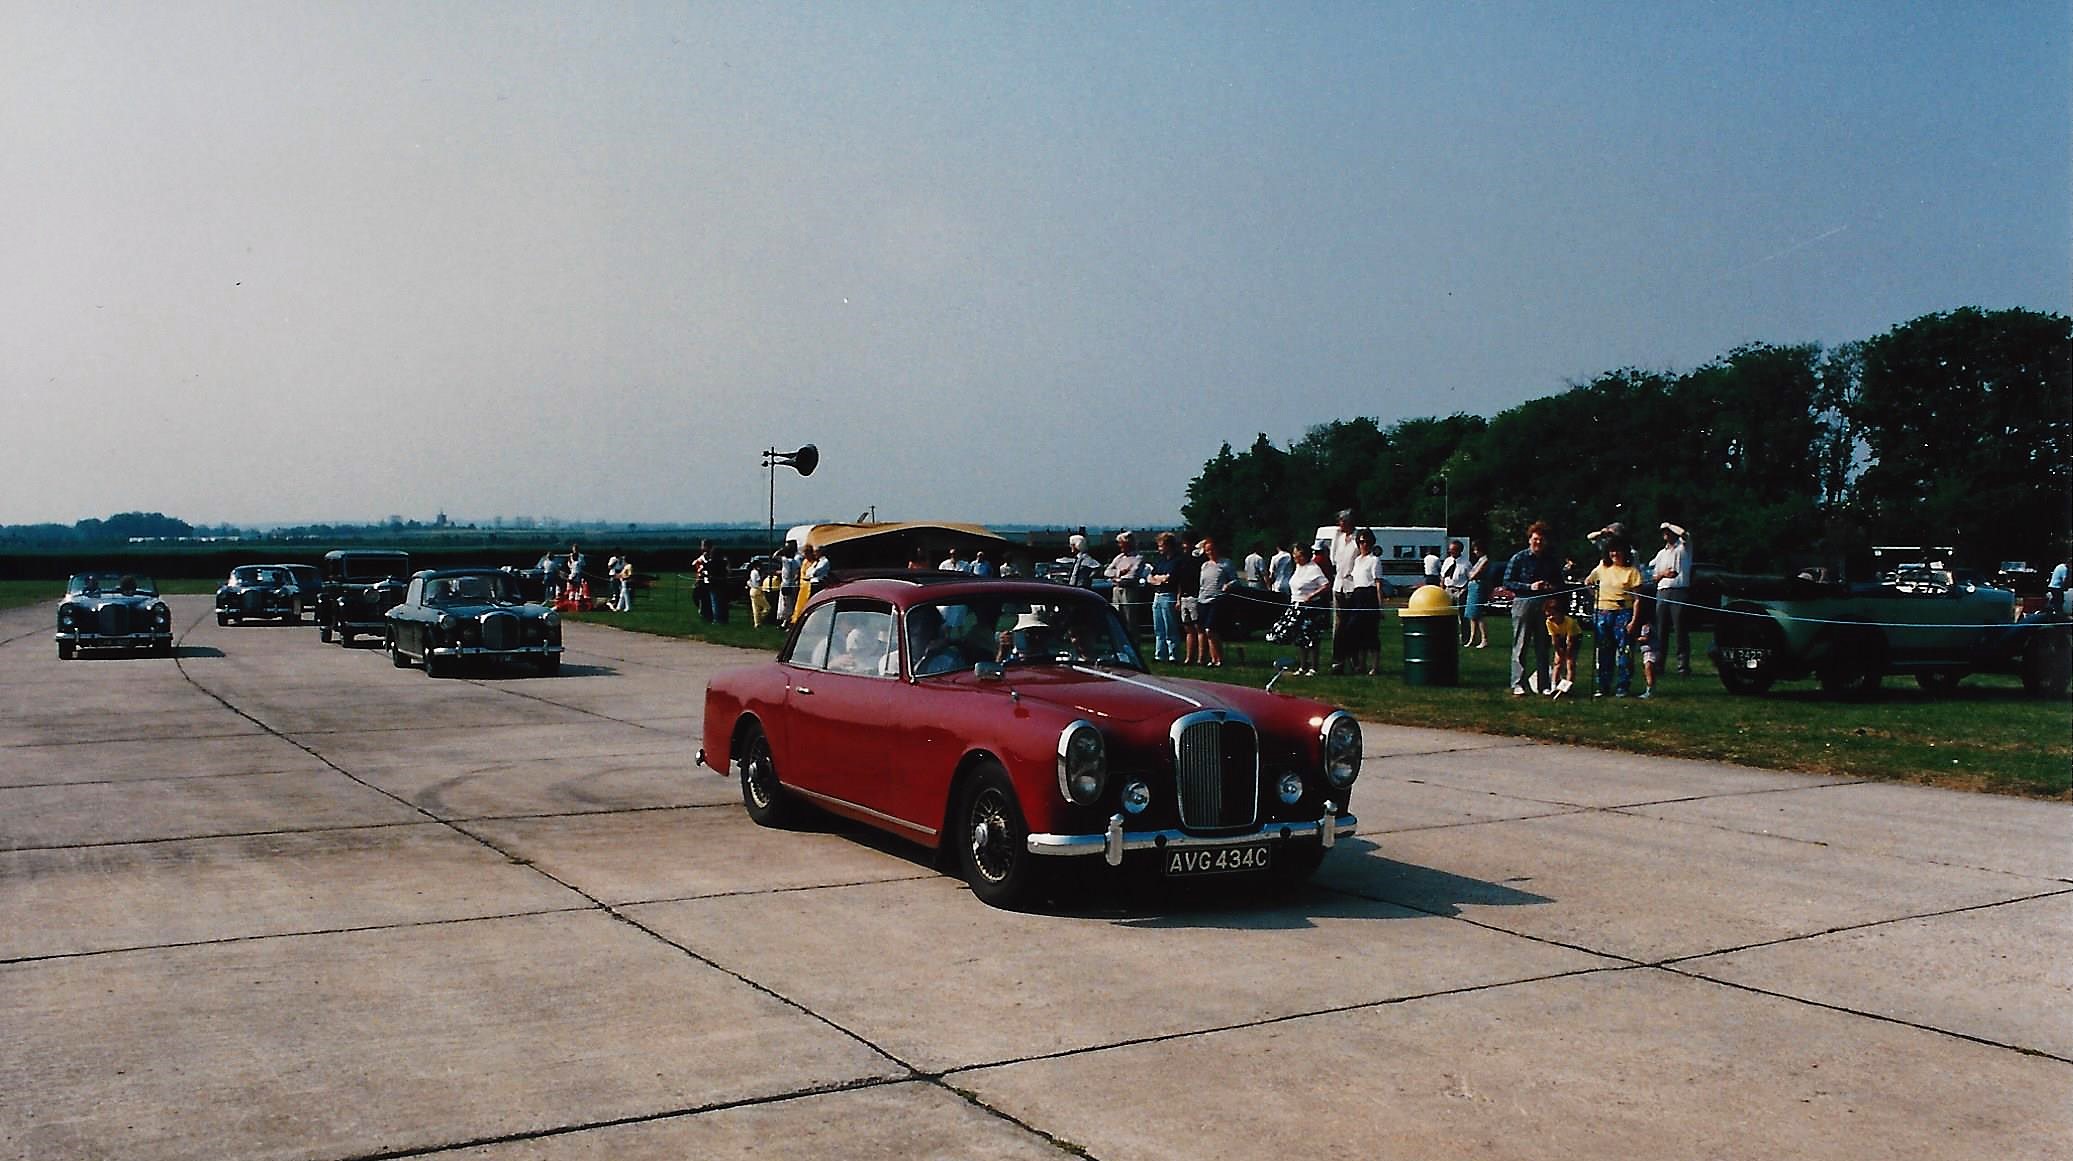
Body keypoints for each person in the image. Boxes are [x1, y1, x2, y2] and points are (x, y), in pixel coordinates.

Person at [1501, 522, 1561, 696]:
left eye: (1542, 540)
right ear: (1529, 540)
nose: (1538, 543)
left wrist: (1550, 587)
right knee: (1521, 644)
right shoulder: (1519, 558)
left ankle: (1544, 685)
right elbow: (1507, 582)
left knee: (1543, 646)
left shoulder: (1551, 560)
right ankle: (1517, 683)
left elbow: (1560, 583)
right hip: (1523, 602)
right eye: (1535, 539)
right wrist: (1530, 587)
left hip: (1545, 605)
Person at [1585, 541, 1644, 698]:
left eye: (1618, 551)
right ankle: (1603, 686)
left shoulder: (1632, 572)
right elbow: (1588, 582)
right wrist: (1596, 595)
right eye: (1612, 551)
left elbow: (1638, 599)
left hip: (1623, 613)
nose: (1615, 554)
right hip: (1602, 613)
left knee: (1624, 651)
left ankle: (1623, 686)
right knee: (1604, 651)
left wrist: (1634, 621)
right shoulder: (1601, 568)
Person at [1649, 522, 1693, 675]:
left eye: (1668, 531)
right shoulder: (1661, 553)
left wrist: (1670, 525)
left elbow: (1684, 534)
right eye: (1664, 532)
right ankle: (1659, 664)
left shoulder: (1684, 548)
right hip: (1662, 591)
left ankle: (1683, 665)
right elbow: (1654, 576)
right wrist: (1663, 574)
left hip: (1679, 591)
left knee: (1680, 629)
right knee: (1661, 630)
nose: (1666, 534)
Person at [1286, 543, 1330, 676]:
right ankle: (1302, 666)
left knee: (1311, 637)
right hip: (1296, 605)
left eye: (1297, 554)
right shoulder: (1298, 567)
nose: (1294, 557)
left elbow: (1325, 585)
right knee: (1300, 638)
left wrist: (1311, 595)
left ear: (1304, 555)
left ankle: (1313, 667)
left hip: (1310, 607)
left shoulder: (1314, 568)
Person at [1327, 510, 1361, 671]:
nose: (1340, 524)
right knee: (1338, 625)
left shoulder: (1357, 538)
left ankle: (1355, 659)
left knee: (1352, 625)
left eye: (1342, 521)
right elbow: (1333, 559)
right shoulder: (1338, 538)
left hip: (1353, 585)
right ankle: (1338, 659)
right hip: (1339, 584)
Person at [1194, 538, 1237, 667]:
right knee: (1203, 630)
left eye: (1212, 549)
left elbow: (1235, 580)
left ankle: (1219, 658)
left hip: (1217, 599)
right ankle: (1211, 659)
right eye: (1207, 550)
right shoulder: (1205, 565)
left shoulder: (1226, 563)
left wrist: (1228, 585)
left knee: (1210, 630)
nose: (1210, 552)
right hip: (1203, 599)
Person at [1146, 532, 1183, 662]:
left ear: (1168, 545)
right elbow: (1150, 577)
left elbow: (1169, 578)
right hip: (1157, 595)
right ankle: (1159, 654)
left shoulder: (1177, 561)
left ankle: (1173, 655)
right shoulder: (1160, 561)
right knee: (1158, 628)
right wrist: (1158, 579)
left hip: (1169, 596)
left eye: (1161, 546)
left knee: (1170, 627)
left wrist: (1160, 578)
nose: (1159, 548)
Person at [1105, 532, 1146, 638]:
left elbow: (1132, 575)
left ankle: (1133, 640)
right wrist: (1120, 572)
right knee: (1117, 616)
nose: (1119, 546)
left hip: (1129, 591)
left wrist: (1117, 577)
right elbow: (1107, 572)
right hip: (1116, 590)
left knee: (1130, 619)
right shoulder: (1119, 558)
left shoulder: (1138, 558)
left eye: (1121, 543)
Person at [1544, 598, 1582, 698]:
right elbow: (1554, 640)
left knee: (1570, 663)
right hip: (1560, 636)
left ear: (1560, 613)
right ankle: (1553, 686)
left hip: (1574, 637)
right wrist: (1558, 651)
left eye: (1553, 614)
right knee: (1557, 662)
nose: (1550, 617)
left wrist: (1567, 654)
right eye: (1548, 615)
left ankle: (1566, 688)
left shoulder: (1570, 622)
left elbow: (1570, 642)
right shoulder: (1549, 622)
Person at [1461, 540, 1491, 648]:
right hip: (1473, 587)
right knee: (1471, 614)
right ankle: (1472, 638)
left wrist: (1471, 574)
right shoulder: (1479, 560)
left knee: (1478, 614)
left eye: (1476, 550)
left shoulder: (1485, 560)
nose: (1474, 552)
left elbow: (1472, 575)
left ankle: (1484, 639)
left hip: (1479, 587)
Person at [795, 543, 831, 622]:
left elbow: (815, 572)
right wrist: (810, 574)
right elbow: (808, 572)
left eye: (816, 552)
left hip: (818, 584)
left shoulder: (824, 561)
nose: (814, 554)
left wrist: (811, 574)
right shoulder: (816, 562)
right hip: (811, 584)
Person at [777, 541, 802, 626]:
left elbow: (775, 556)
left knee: (785, 603)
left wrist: (782, 549)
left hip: (785, 584)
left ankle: (785, 620)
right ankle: (788, 619)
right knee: (791, 602)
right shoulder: (795, 562)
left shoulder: (785, 561)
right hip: (792, 584)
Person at [745, 556, 771, 627]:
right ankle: (760, 618)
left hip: (752, 590)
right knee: (767, 607)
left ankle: (757, 623)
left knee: (756, 609)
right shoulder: (756, 572)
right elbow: (758, 581)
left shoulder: (751, 572)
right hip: (757, 590)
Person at [1440, 540, 1467, 605]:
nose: (1450, 551)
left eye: (1453, 550)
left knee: (1459, 609)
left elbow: (1470, 578)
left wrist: (1463, 590)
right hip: (1447, 589)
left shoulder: (1466, 563)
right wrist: (1442, 589)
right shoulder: (1447, 560)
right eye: (1450, 549)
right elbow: (1443, 575)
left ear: (1459, 550)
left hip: (1459, 590)